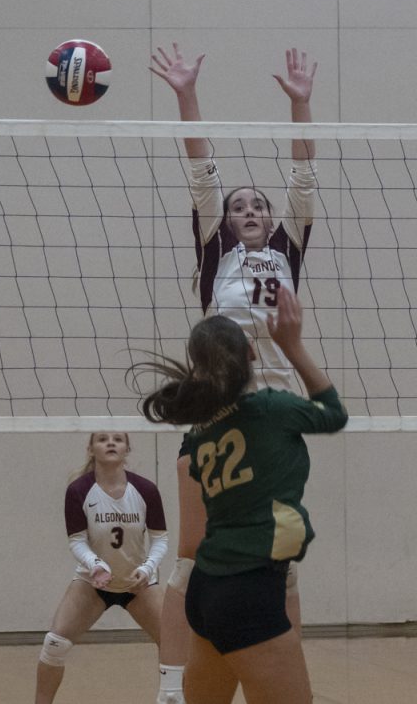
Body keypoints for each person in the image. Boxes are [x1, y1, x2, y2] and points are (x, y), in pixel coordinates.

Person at [149, 43, 319, 702]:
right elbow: (202, 169)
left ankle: (275, 672)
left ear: (273, 221)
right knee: (193, 553)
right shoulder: (214, 246)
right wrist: (185, 94)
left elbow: (305, 177)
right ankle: (172, 687)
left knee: (280, 561)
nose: (248, 209)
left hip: (274, 418)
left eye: (258, 205)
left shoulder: (288, 248)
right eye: (238, 204)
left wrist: (301, 103)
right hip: (216, 415)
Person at [134, 285, 348, 704]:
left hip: (207, 591)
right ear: (252, 352)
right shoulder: (271, 409)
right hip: (248, 592)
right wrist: (292, 347)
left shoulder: (199, 433)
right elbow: (334, 413)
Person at [35, 432, 169, 704]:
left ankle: (170, 699)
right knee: (54, 644)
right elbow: (77, 541)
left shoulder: (145, 489)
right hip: (92, 583)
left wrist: (146, 569)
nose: (111, 443)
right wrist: (95, 565)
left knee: (175, 647)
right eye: (103, 439)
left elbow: (159, 538)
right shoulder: (78, 491)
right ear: (91, 448)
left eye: (118, 439)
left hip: (139, 585)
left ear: (126, 449)